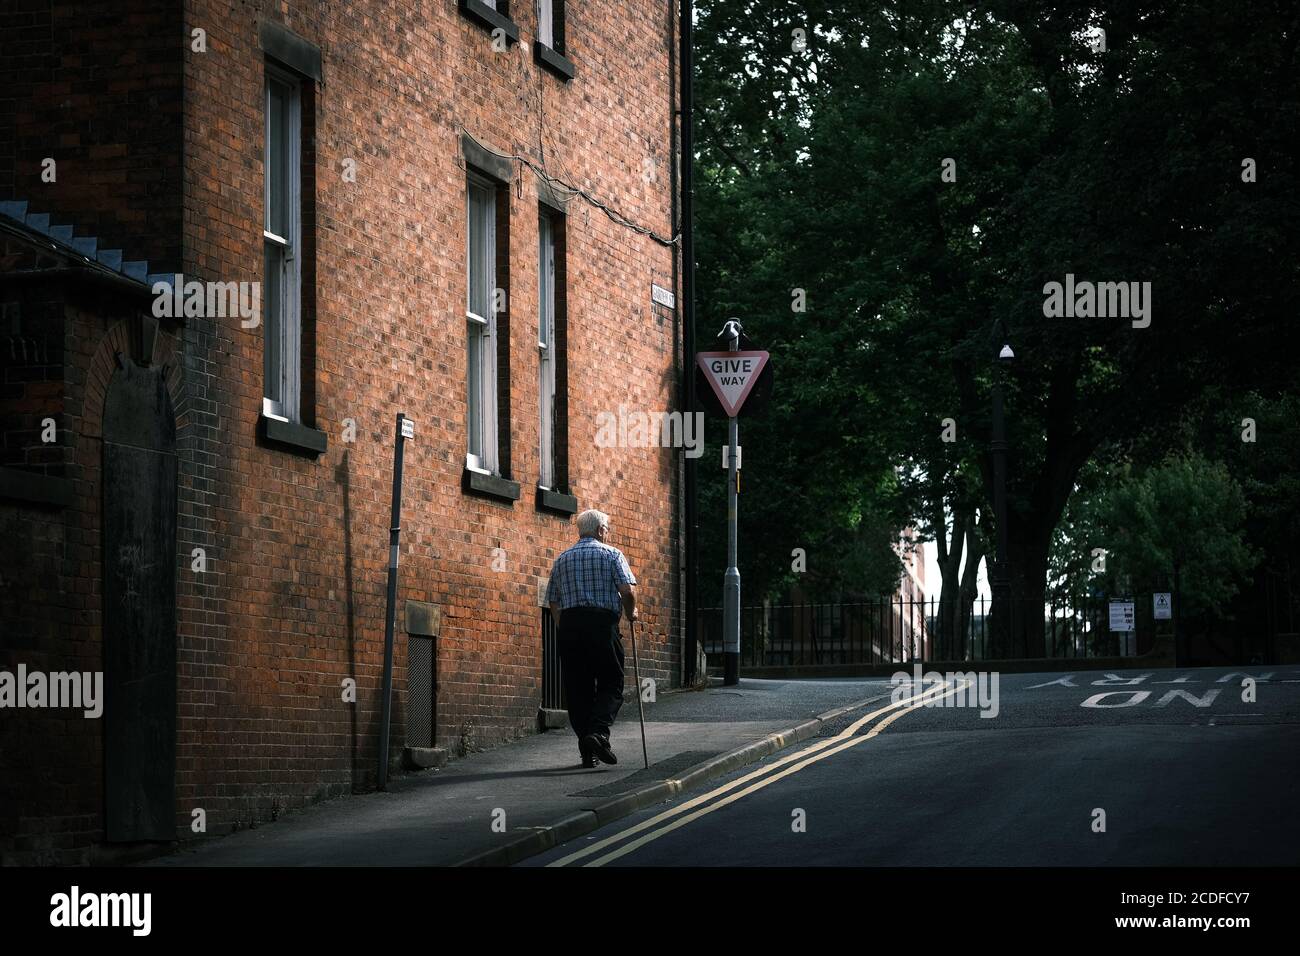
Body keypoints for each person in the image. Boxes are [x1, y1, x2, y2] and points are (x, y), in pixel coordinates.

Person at [545, 509, 637, 767]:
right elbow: (627, 590)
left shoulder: (562, 559)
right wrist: (632, 612)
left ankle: (587, 749)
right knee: (612, 681)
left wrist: (563, 626)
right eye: (607, 528)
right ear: (600, 530)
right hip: (601, 624)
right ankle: (598, 734)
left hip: (571, 626)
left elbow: (553, 599)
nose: (608, 532)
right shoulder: (612, 554)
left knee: (578, 688)